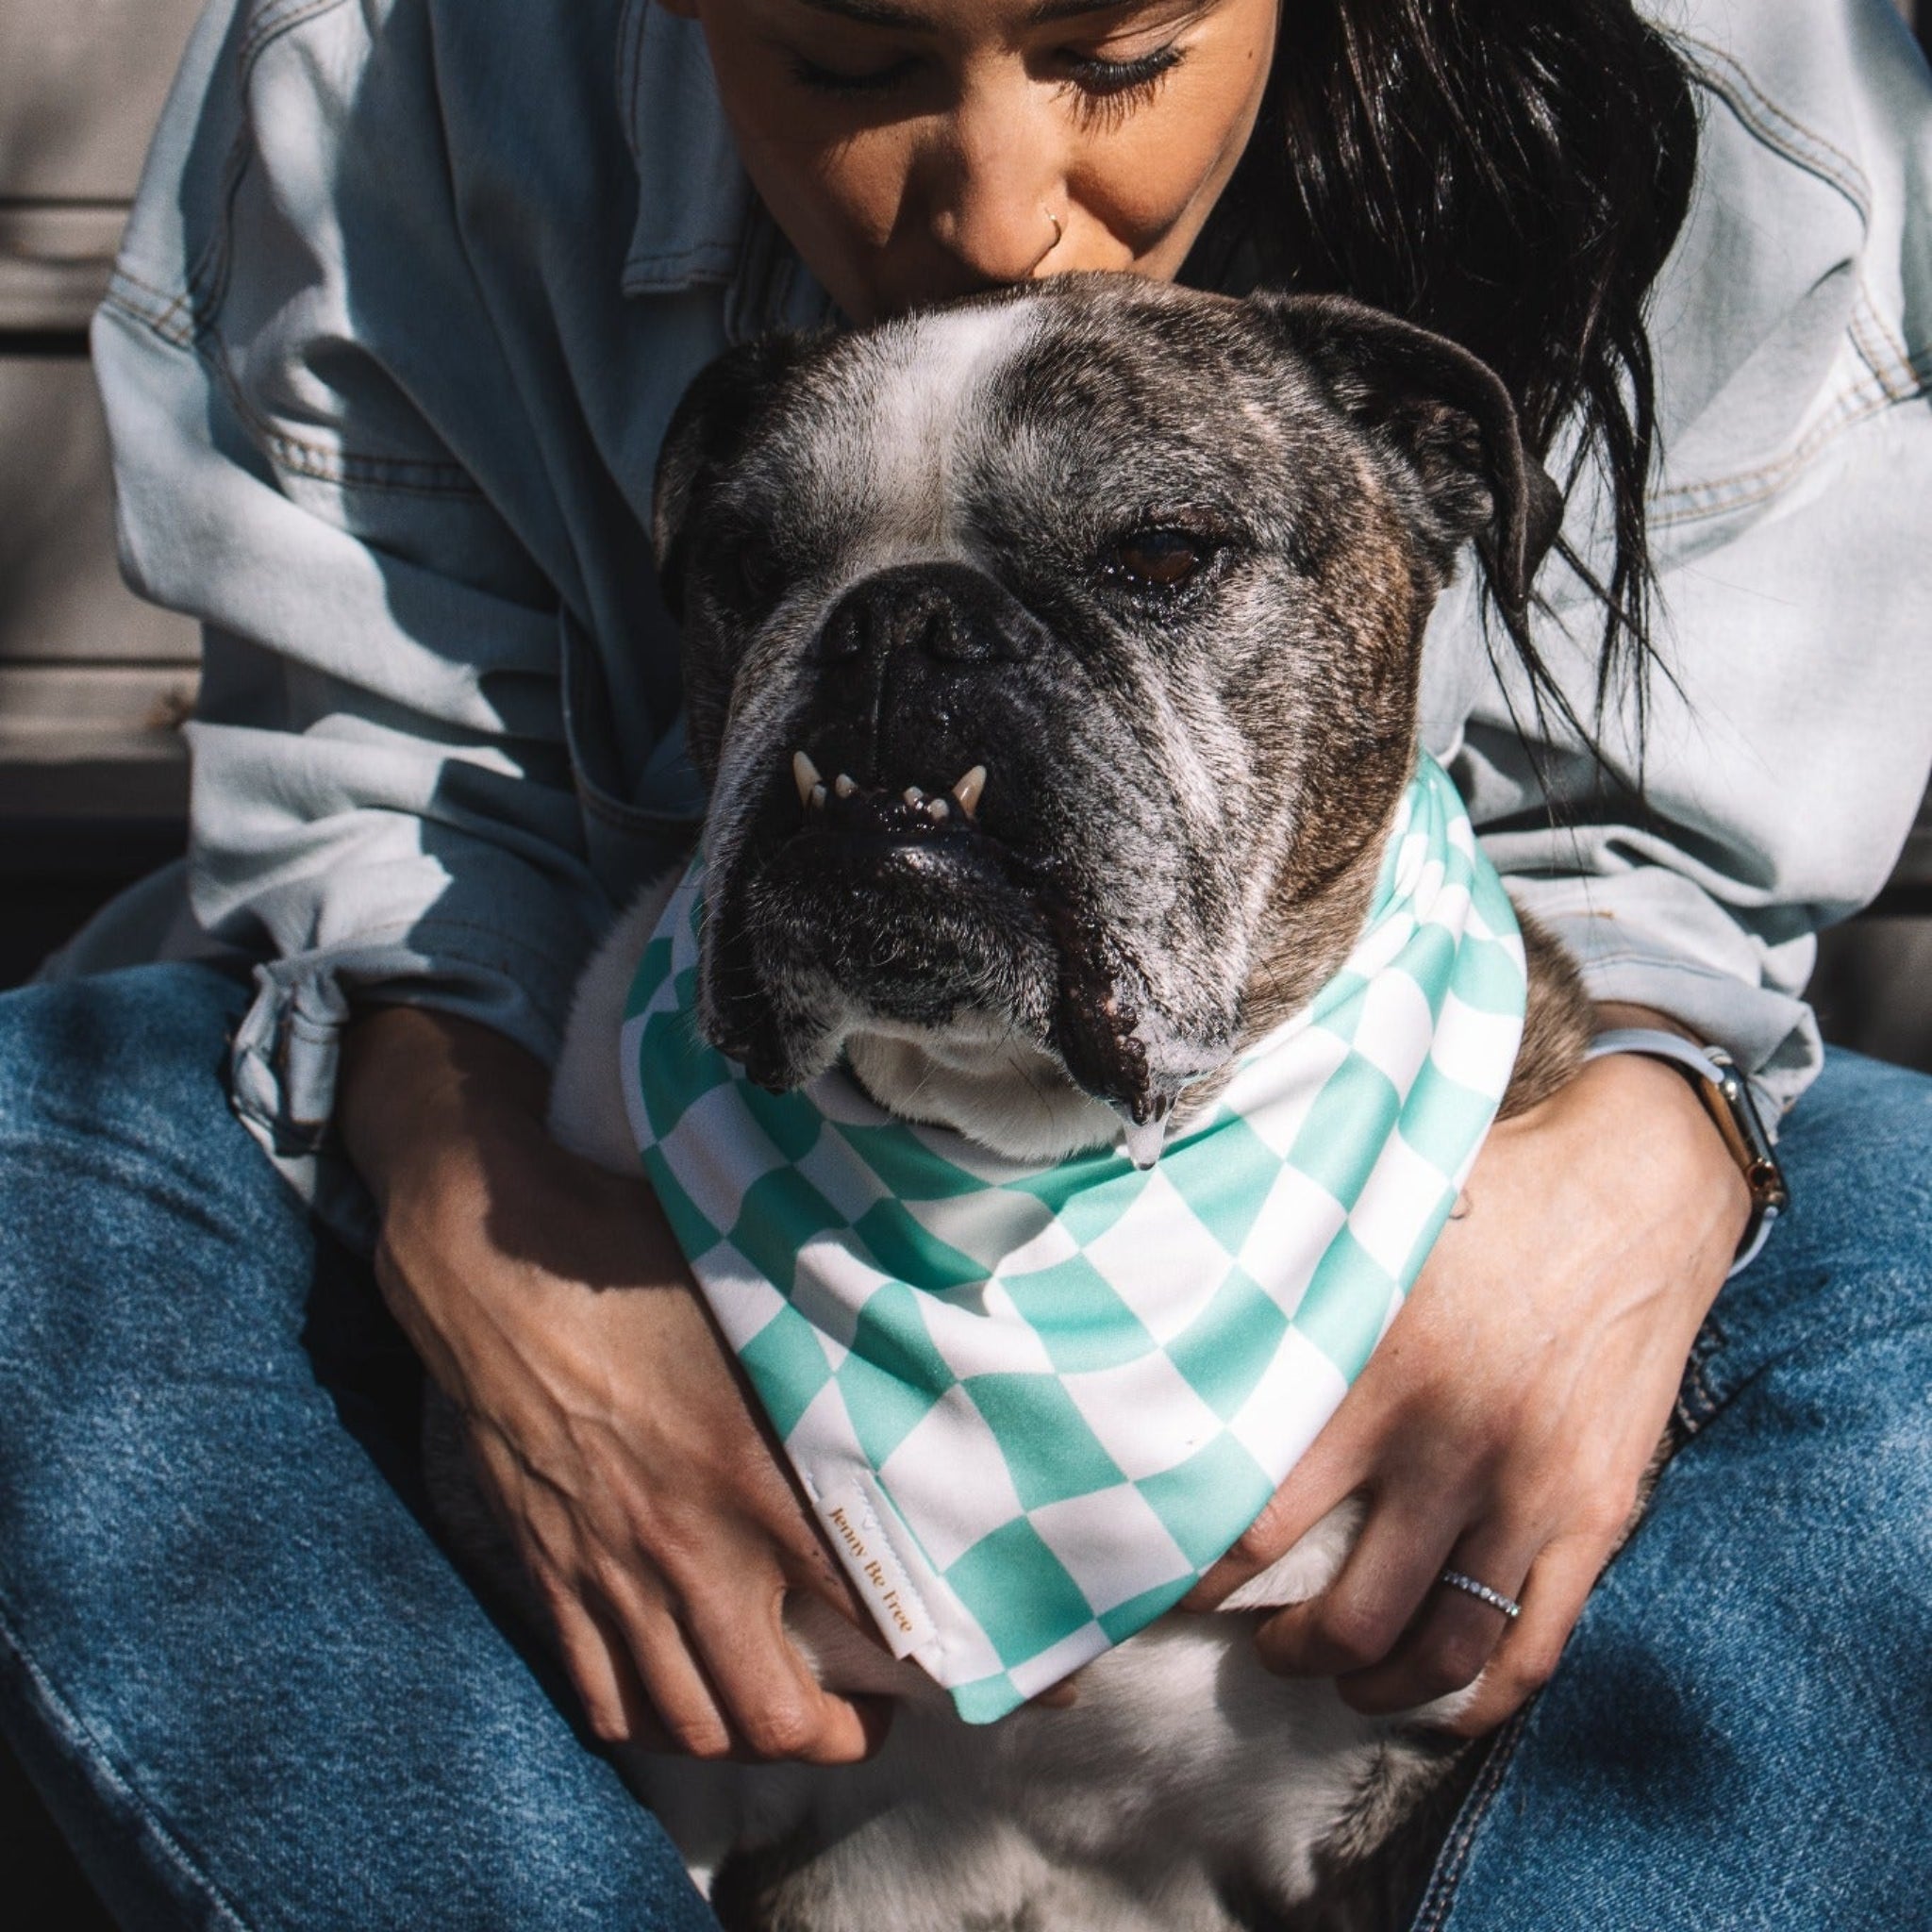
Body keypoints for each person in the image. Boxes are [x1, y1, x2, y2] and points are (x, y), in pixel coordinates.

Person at [1, 0, 1927, 1924]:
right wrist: (496, 1250)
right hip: (587, 1081)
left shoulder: (1748, 89)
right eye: (847, 68)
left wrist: (1637, 1177)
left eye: (1119, 57)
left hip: (1432, 1062)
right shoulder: (376, 64)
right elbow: (378, 800)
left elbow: (1678, 865)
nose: (1000, 213)